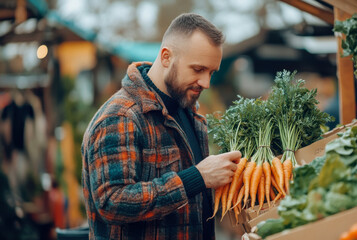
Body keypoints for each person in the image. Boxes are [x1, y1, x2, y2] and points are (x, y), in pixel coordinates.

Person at [81, 13, 241, 239]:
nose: (206, 83)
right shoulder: (120, 116)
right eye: (198, 69)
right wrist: (197, 177)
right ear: (166, 57)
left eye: (211, 72)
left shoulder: (190, 113)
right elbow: (112, 202)